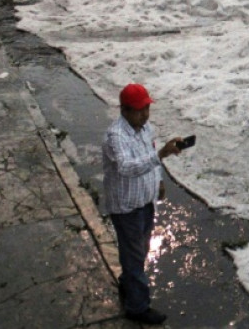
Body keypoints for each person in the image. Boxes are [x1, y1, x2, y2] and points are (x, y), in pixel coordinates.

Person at [103, 83, 184, 325]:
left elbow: (151, 156)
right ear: (124, 110)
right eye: (139, 110)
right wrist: (160, 155)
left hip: (146, 202)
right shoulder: (116, 136)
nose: (145, 115)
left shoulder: (146, 128)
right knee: (134, 256)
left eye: (147, 108)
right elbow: (126, 167)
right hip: (126, 208)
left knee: (140, 252)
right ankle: (137, 307)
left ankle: (127, 282)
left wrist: (159, 181)